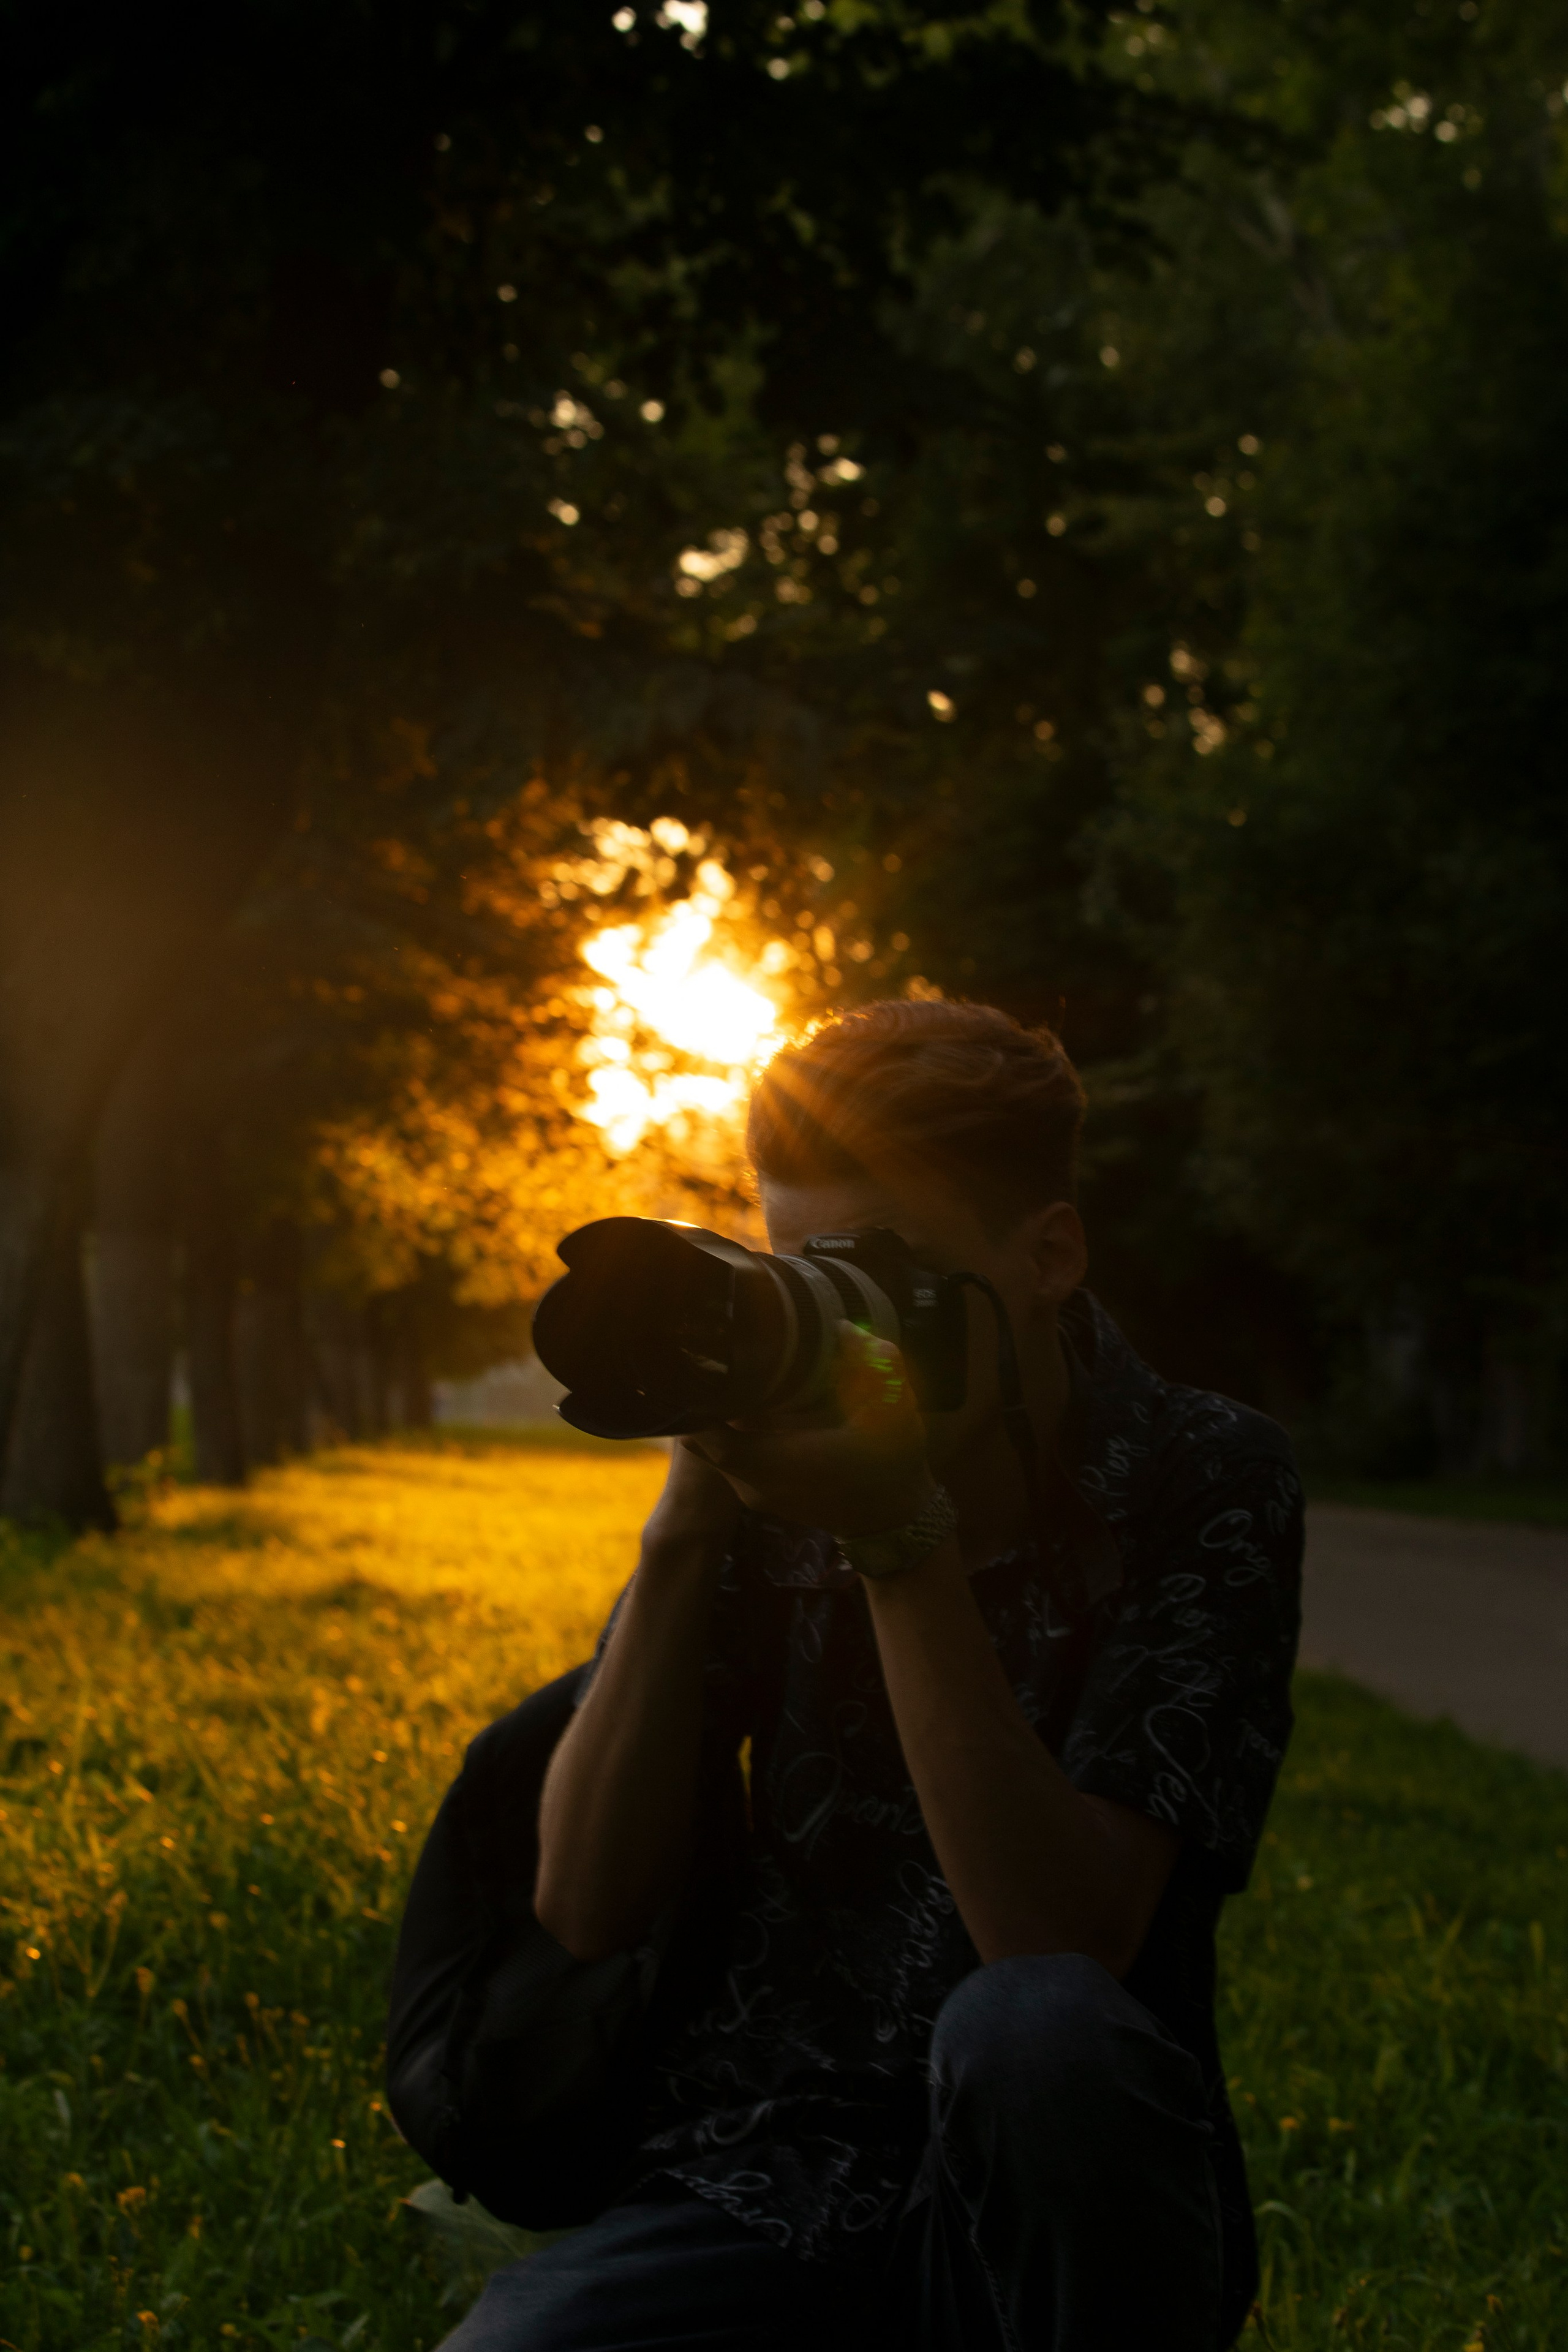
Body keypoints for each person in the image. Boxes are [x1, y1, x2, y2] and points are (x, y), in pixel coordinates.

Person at [429, 998, 1302, 2351]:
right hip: (756, 2171)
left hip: (1051, 2206)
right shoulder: (774, 1468)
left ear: (1048, 1255)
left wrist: (895, 1535)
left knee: (1034, 2027)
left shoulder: (1202, 1480)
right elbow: (586, 1906)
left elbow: (1056, 1946)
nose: (849, 1323)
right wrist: (683, 1531)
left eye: (888, 1273)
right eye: (808, 1268)